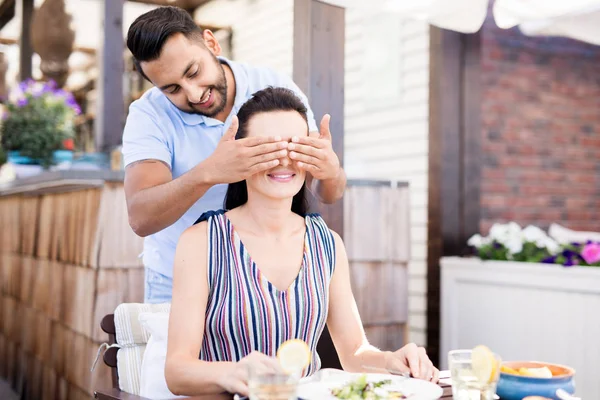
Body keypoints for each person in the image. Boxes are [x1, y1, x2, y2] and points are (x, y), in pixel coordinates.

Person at [165, 87, 438, 397]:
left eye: (297, 147)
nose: (284, 160)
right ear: (240, 154)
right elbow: (177, 371)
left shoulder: (327, 243)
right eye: (268, 148)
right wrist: (234, 372)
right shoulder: (202, 242)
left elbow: (354, 354)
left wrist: (392, 360)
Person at [122, 6, 347, 303]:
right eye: (172, 88)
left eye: (194, 72)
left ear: (212, 43)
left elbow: (327, 192)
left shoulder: (272, 88)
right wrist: (210, 172)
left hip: (269, 275)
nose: (193, 93)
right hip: (180, 278)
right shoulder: (148, 115)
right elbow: (141, 218)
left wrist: (330, 172)